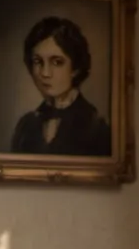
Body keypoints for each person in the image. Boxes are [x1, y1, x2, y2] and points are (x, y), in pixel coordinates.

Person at [10, 16, 111, 157]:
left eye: (57, 62)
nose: (45, 73)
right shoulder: (26, 126)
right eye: (38, 61)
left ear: (75, 67)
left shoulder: (96, 127)